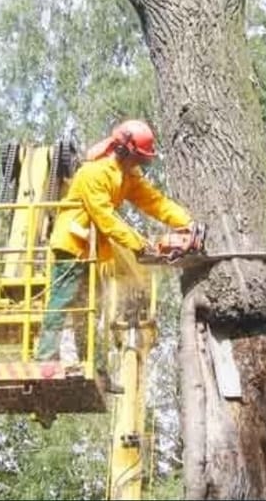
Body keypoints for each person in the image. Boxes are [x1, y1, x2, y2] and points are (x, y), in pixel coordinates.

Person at [35, 119, 194, 363]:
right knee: (63, 297)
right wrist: (140, 243)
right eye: (138, 159)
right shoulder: (94, 173)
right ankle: (46, 356)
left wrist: (186, 223)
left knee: (91, 309)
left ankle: (94, 365)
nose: (140, 164)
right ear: (123, 151)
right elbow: (106, 219)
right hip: (72, 243)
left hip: (93, 251)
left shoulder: (126, 175)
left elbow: (154, 201)